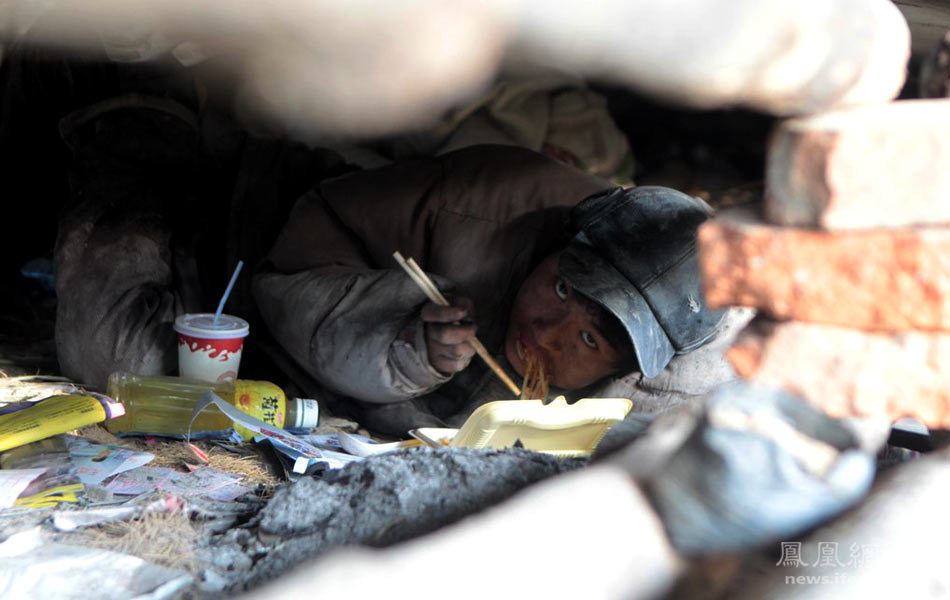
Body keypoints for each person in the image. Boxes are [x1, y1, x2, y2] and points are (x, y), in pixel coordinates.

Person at [254, 144, 740, 435]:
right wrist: (404, 343)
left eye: (589, 339)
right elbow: (290, 271)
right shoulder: (465, 209)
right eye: (563, 289)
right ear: (561, 244)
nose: (546, 335)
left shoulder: (694, 362)